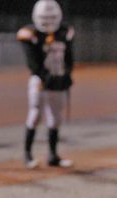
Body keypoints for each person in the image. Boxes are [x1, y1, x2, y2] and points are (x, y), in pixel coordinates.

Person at [17, 0, 74, 169]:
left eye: (52, 17)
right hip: (40, 80)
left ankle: (53, 155)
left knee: (55, 119)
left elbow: (69, 57)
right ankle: (27, 155)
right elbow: (32, 62)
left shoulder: (65, 32)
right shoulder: (31, 33)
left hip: (58, 78)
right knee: (35, 115)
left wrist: (67, 75)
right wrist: (44, 76)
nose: (48, 20)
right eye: (45, 17)